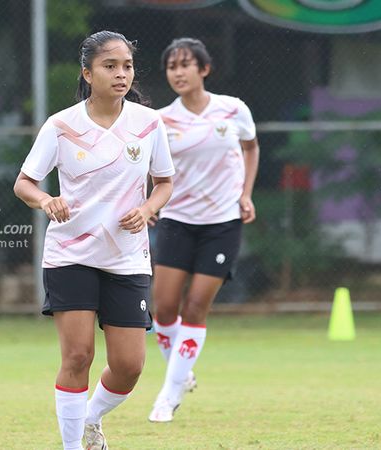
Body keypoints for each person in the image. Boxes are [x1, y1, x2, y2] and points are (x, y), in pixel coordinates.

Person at [14, 30, 174, 450]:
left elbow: (165, 182)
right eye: (109, 66)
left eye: (127, 65)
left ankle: (90, 419)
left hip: (126, 258)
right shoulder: (62, 125)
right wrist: (47, 200)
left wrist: (147, 209)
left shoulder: (148, 123)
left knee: (129, 366)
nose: (121, 74)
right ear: (87, 73)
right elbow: (24, 183)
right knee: (78, 356)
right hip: (71, 253)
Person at [147, 37, 260, 423]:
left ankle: (169, 393)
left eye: (185, 64)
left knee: (196, 306)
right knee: (163, 310)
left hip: (222, 223)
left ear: (204, 69)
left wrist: (245, 194)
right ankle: (182, 370)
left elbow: (251, 147)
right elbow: (151, 168)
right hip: (177, 220)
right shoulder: (161, 120)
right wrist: (148, 204)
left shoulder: (233, 109)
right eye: (171, 66)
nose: (178, 72)